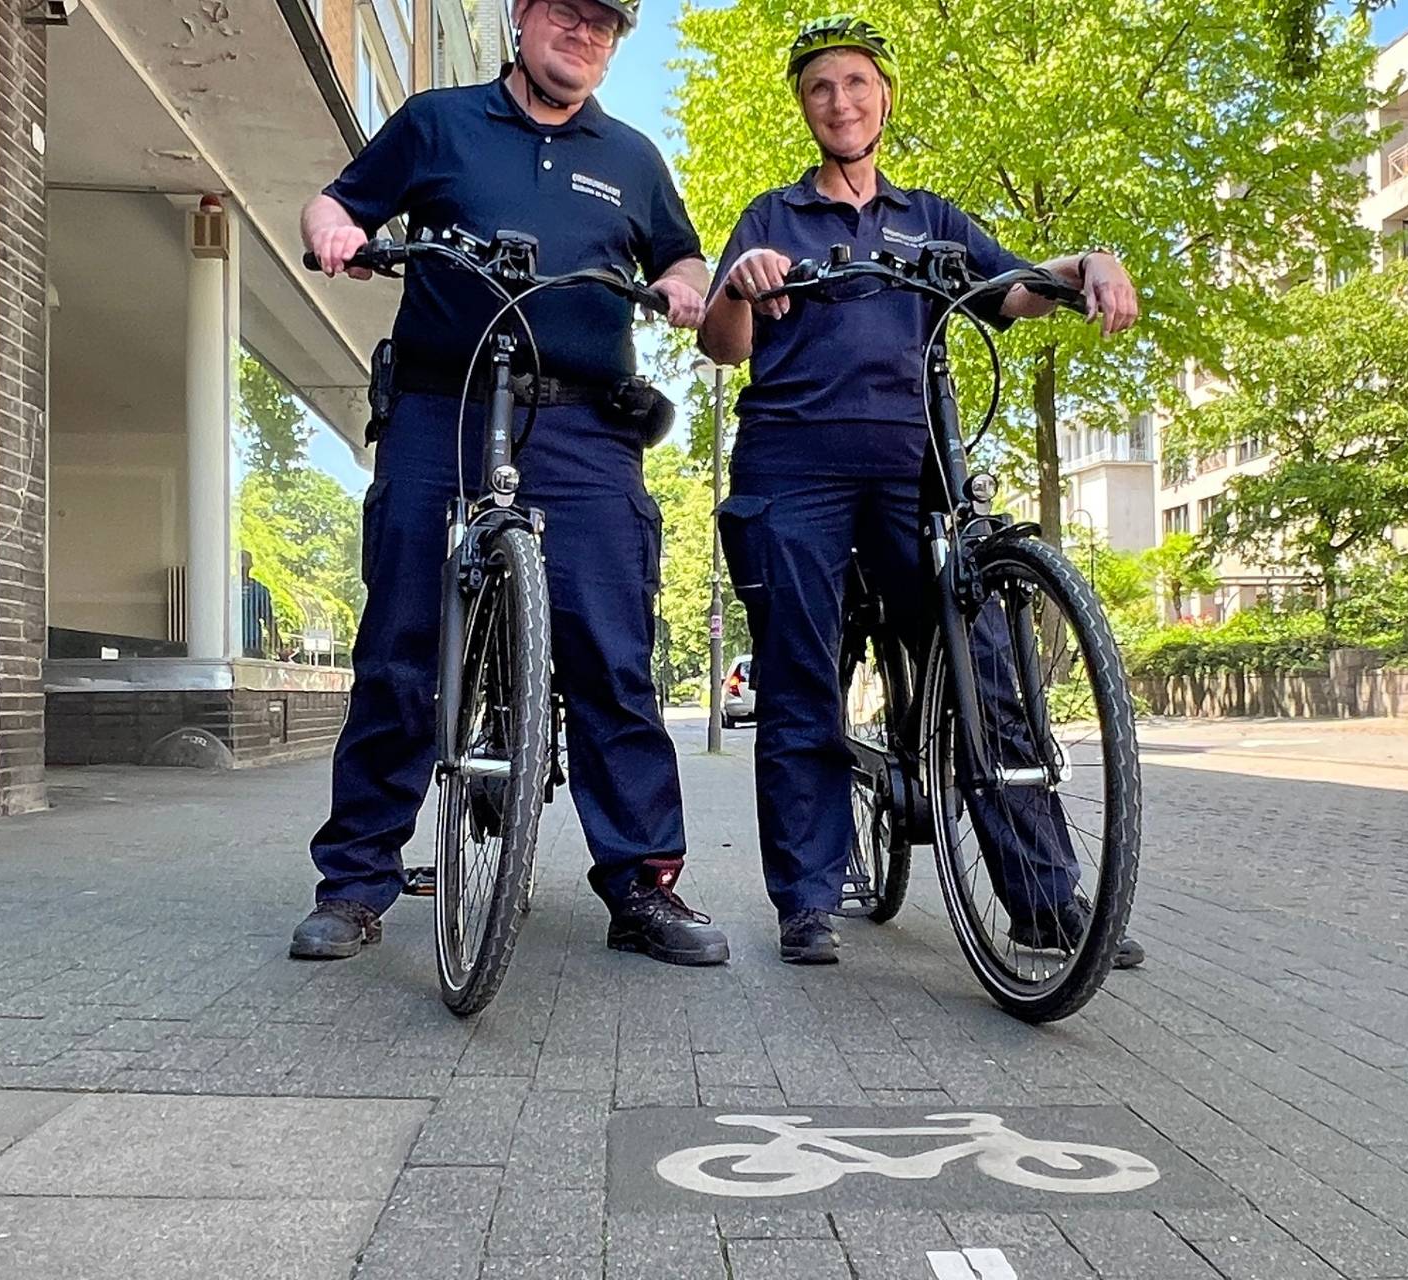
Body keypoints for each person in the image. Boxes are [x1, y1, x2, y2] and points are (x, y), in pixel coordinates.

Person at [698, 14, 1146, 970]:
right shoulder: (772, 217)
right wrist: (738, 285)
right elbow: (723, 345)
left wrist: (1086, 265)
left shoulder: (930, 217)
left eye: (856, 83)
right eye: (820, 88)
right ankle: (808, 900)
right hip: (793, 466)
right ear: (803, 107)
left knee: (985, 663)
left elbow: (1012, 291)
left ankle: (1042, 903)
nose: (840, 102)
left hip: (917, 469)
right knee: (801, 680)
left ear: (884, 97)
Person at [291, 0, 729, 966]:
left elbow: (681, 254)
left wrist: (691, 285)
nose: (585, 38)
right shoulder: (438, 121)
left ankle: (642, 886)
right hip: (441, 409)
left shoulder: (632, 157)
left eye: (605, 28)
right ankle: (357, 882)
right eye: (568, 16)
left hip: (582, 421)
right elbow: (336, 202)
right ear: (525, 19)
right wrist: (335, 235)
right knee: (402, 646)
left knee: (614, 656)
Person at [240, 551, 284, 661]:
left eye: (246, 562)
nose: (243, 566)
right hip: (228, 642)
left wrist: (276, 643)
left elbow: (268, 619)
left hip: (251, 643)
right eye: (241, 562)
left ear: (251, 565)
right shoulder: (228, 588)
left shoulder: (259, 590)